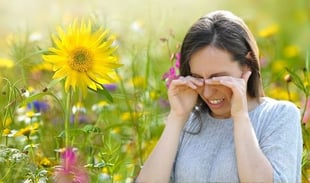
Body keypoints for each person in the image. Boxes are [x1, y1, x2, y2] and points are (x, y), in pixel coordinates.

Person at [136, 10, 303, 183]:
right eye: (199, 78)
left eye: (218, 79)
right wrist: (177, 118)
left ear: (247, 65)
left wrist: (240, 117)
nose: (207, 93)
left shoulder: (279, 115)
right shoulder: (188, 121)